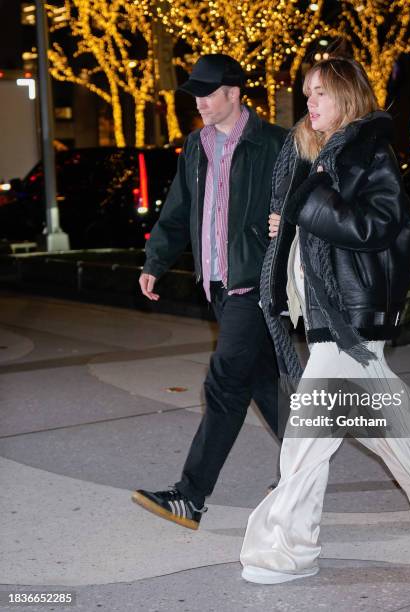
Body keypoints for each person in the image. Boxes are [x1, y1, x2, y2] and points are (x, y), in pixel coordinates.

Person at [239, 57, 410, 584]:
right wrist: (289, 223)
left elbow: (377, 227)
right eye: (307, 94)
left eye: (320, 93)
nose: (310, 104)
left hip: (350, 317)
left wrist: (305, 207)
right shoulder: (315, 154)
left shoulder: (370, 152)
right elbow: (318, 225)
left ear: (347, 96)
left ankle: (287, 551)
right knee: (386, 423)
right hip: (328, 312)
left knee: (307, 437)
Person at [131, 54, 287, 530]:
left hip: (256, 283)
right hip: (219, 285)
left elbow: (306, 200)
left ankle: (190, 496)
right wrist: (155, 261)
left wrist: (288, 226)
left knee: (223, 384)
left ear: (234, 93)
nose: (198, 101)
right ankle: (308, 466)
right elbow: (179, 212)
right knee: (261, 382)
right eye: (194, 93)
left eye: (207, 92)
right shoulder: (195, 146)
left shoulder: (274, 143)